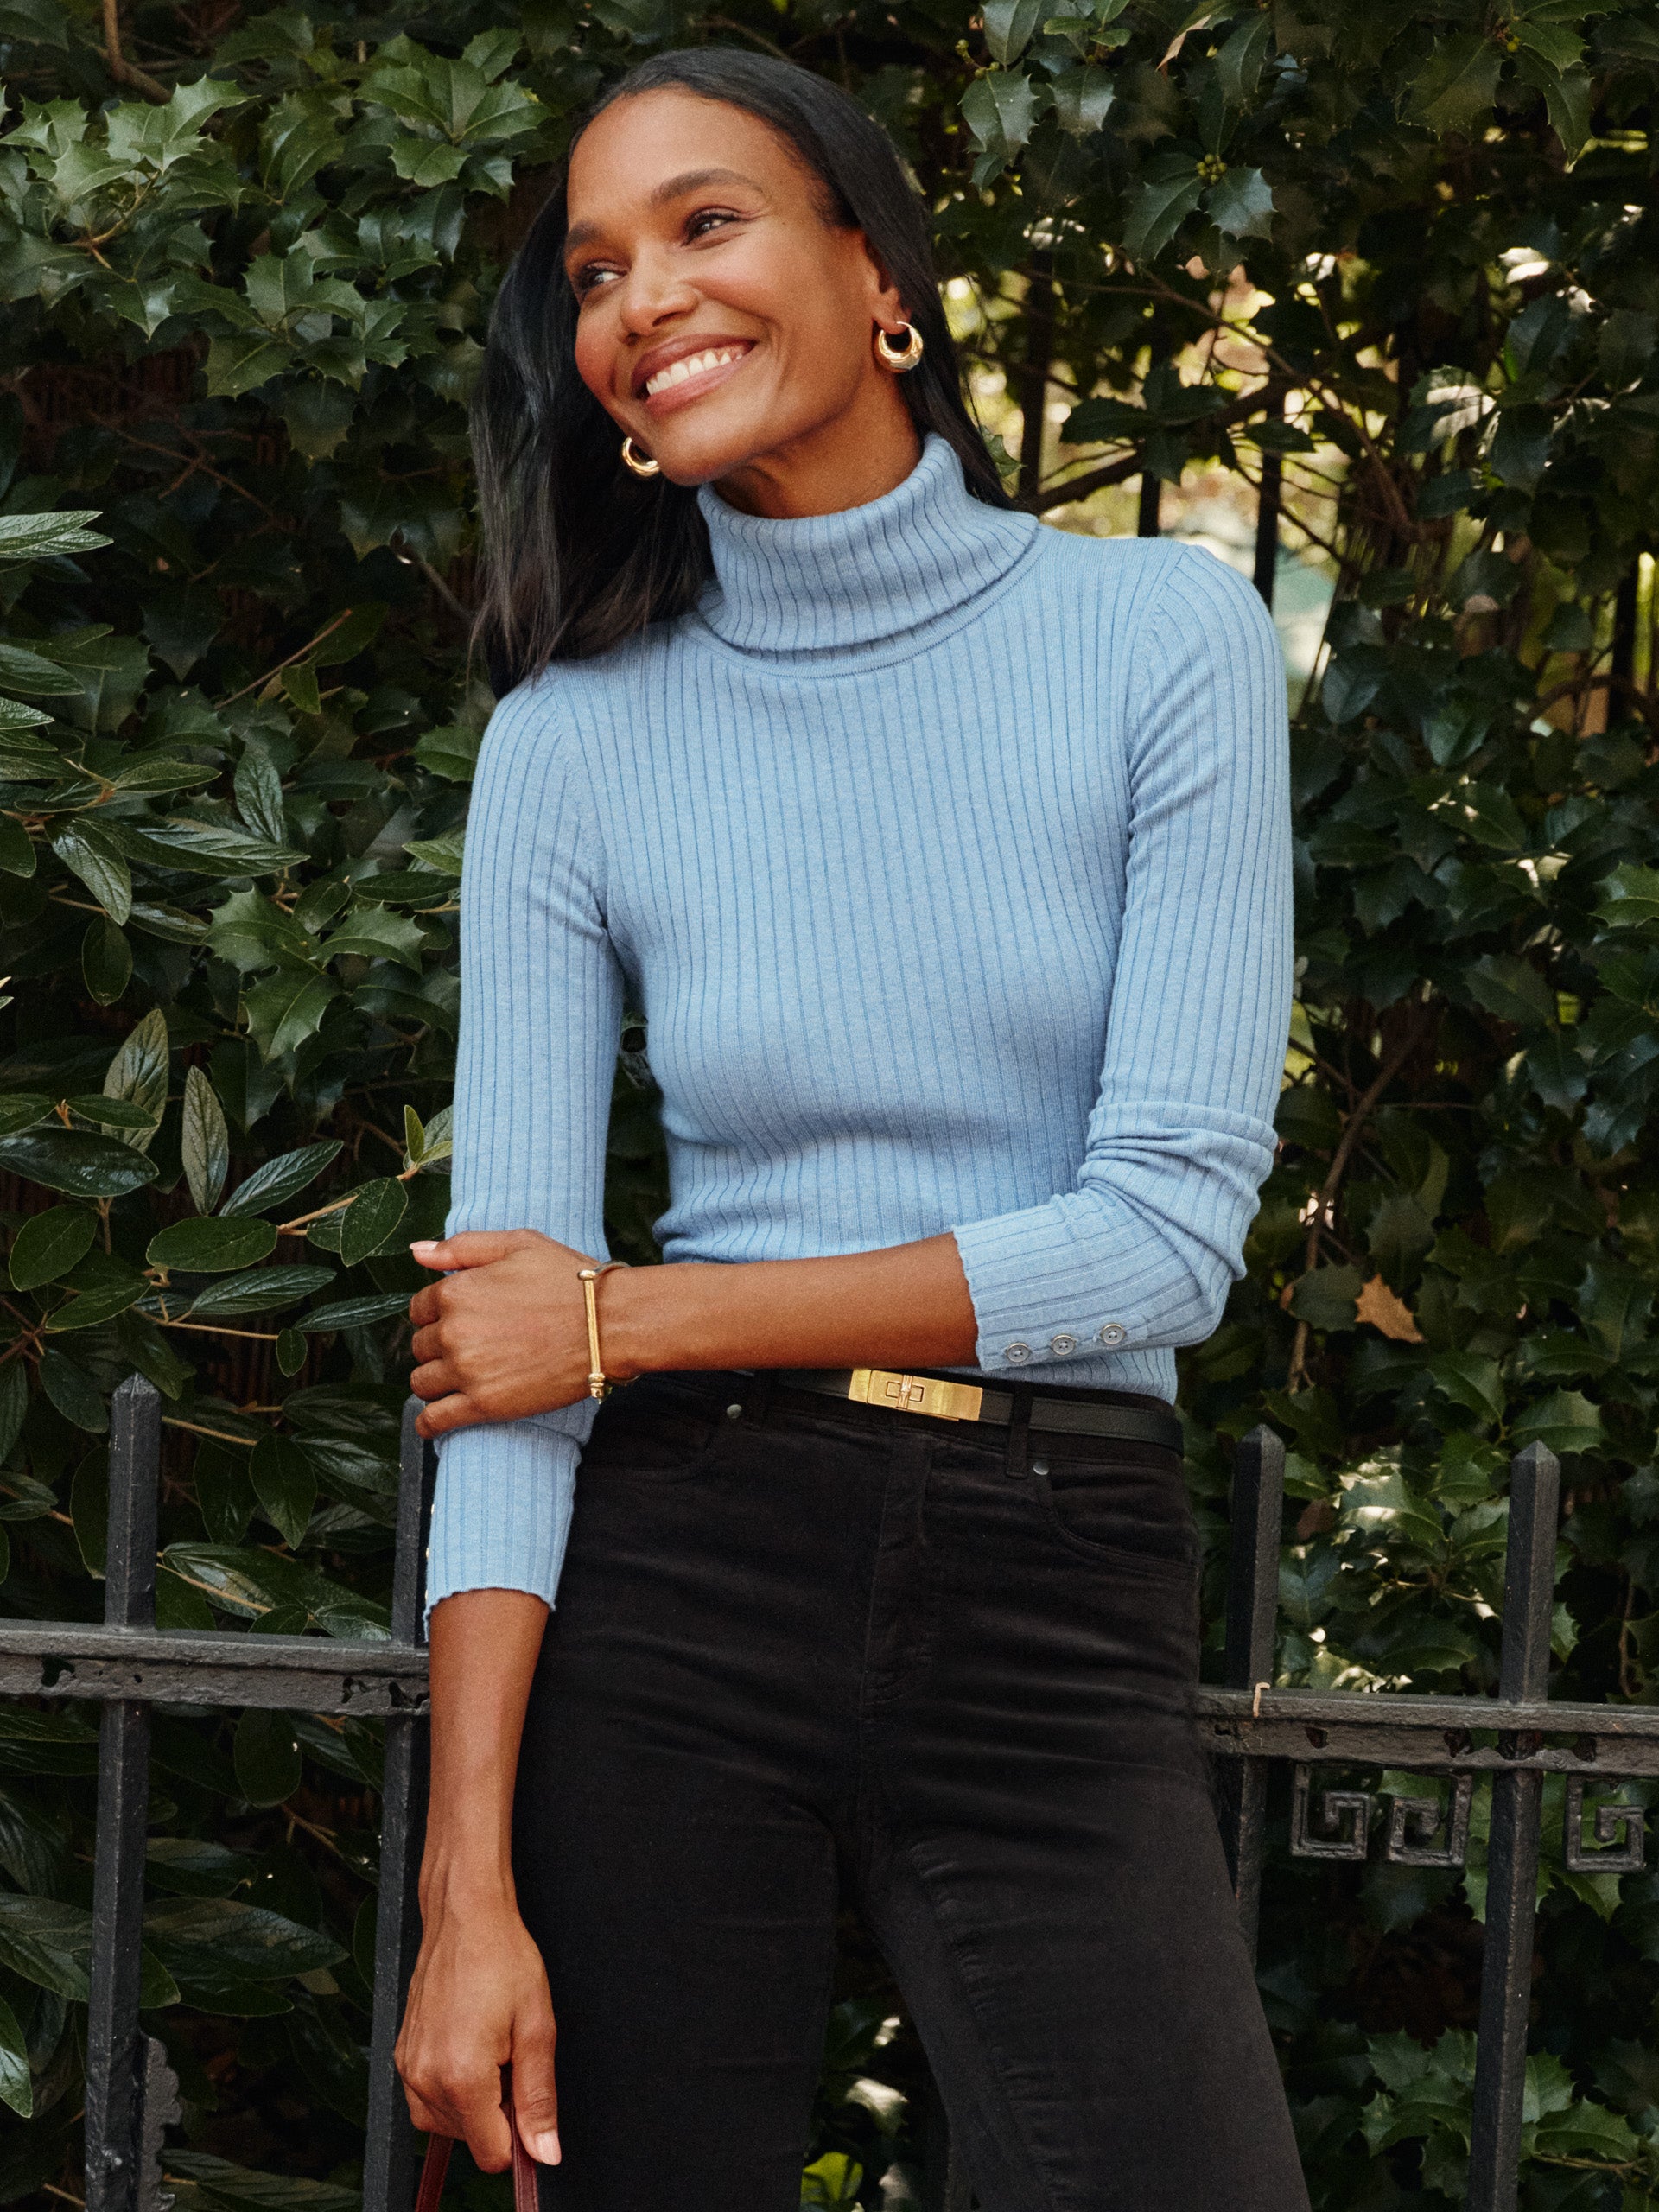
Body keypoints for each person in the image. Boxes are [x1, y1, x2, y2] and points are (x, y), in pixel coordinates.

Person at [394, 47, 1305, 2212]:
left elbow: (1163, 1239)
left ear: (878, 269)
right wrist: (463, 1885)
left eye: (704, 223)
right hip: (681, 1574)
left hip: (1053, 1555)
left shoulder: (1158, 635)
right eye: (595, 270)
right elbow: (508, 1356)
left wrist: (636, 1319)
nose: (643, 295)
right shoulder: (570, 742)